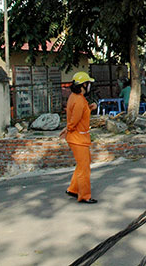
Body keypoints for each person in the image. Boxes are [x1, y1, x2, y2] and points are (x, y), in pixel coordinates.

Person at [59, 72, 98, 204]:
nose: (89, 86)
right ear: (83, 85)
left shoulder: (75, 97)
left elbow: (78, 114)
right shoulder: (80, 100)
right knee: (84, 168)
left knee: (82, 165)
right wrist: (68, 129)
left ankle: (73, 189)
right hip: (78, 139)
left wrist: (89, 108)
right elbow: (74, 120)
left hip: (77, 138)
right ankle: (84, 195)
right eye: (87, 84)